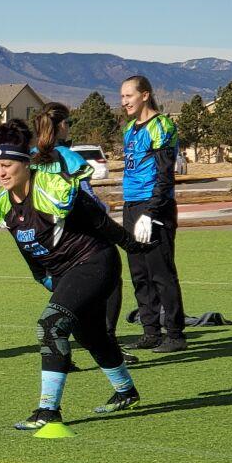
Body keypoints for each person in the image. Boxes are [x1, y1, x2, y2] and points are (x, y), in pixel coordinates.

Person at [0, 120, 153, 431]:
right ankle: (126, 391)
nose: (0, 173)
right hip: (64, 271)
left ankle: (48, 411)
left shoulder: (53, 187)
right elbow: (26, 246)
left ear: (25, 163)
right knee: (89, 335)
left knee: (50, 326)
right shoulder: (2, 206)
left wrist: (133, 246)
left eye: (6, 165)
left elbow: (98, 221)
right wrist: (42, 277)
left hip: (94, 262)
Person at [31, 101, 140, 366]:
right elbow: (86, 197)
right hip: (80, 233)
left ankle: (60, 349)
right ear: (62, 126)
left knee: (68, 290)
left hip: (47, 234)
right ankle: (109, 344)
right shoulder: (70, 158)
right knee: (109, 283)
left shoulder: (32, 156)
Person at [118, 75, 186, 351]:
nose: (124, 102)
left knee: (161, 272)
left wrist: (152, 211)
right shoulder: (129, 129)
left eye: (128, 96)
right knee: (139, 273)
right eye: (122, 97)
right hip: (131, 204)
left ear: (144, 95)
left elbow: (164, 174)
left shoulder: (162, 126)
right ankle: (150, 331)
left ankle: (175, 334)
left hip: (154, 205)